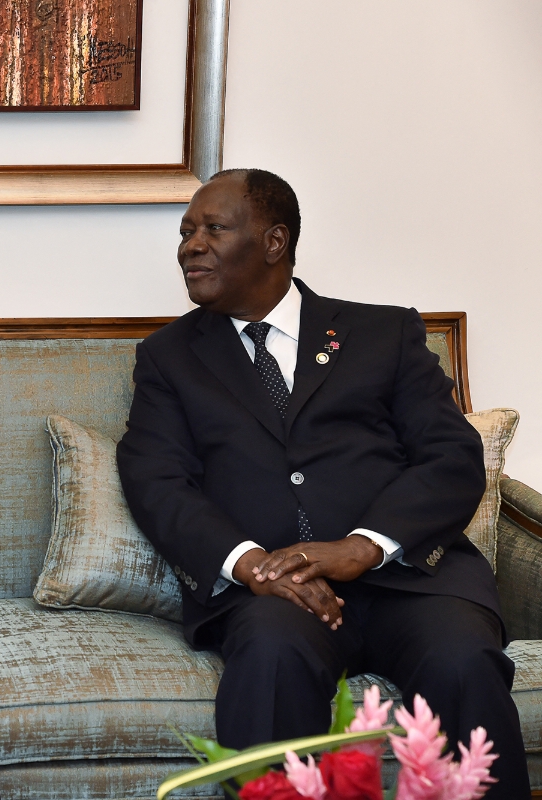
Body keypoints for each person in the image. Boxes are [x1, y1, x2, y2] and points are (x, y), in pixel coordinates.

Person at [116, 169, 528, 796]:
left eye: (213, 229)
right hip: (276, 595)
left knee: (463, 662)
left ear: (274, 241)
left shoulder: (381, 334)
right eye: (186, 232)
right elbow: (156, 480)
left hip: (411, 578)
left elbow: (450, 454)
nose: (189, 246)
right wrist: (255, 566)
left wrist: (363, 546)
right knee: (271, 663)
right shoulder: (169, 359)